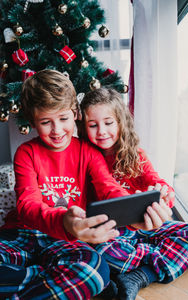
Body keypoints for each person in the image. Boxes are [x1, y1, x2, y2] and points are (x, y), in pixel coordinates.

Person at [0, 70, 134, 299]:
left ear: (75, 114)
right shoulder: (26, 153)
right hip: (22, 232)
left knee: (94, 269)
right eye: (45, 122)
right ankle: (52, 283)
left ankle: (31, 283)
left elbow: (108, 188)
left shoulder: (89, 152)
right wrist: (62, 220)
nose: (57, 130)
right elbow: (28, 205)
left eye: (63, 118)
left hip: (64, 239)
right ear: (33, 122)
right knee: (91, 280)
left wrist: (132, 209)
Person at [78, 87, 188, 300]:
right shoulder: (84, 157)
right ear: (83, 127)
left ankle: (140, 275)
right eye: (93, 125)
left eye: (108, 123)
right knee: (100, 253)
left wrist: (164, 193)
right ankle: (166, 258)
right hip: (111, 233)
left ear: (120, 122)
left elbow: (159, 183)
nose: (102, 131)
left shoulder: (135, 155)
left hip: (144, 227)